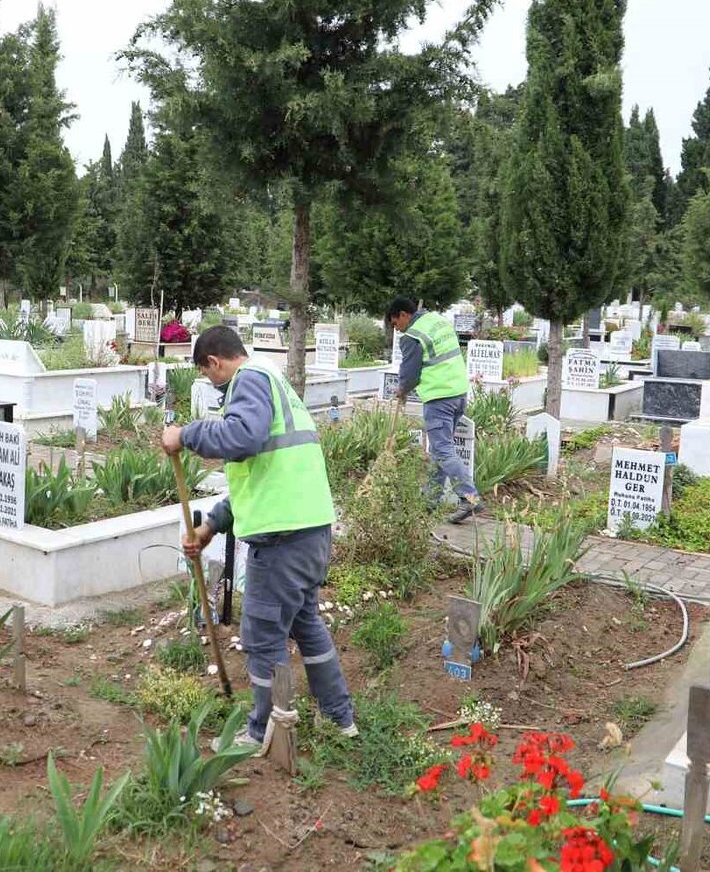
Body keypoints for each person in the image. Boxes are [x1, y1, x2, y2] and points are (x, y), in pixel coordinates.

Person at [161, 326, 357, 749]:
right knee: (305, 623)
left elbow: (240, 439)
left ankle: (261, 733)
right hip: (309, 528)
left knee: (262, 636)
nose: (214, 387)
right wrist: (211, 525)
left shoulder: (248, 379)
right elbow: (259, 476)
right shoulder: (276, 384)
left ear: (214, 362)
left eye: (207, 375)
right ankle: (339, 718)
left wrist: (186, 434)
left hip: (282, 538)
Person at [386, 297, 485, 523]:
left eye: (395, 324)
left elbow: (410, 373)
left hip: (438, 397)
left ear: (403, 315)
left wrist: (402, 390)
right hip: (458, 393)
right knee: (438, 452)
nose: (397, 329)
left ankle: (470, 498)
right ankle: (429, 501)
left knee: (443, 450)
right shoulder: (436, 320)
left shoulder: (412, 336)